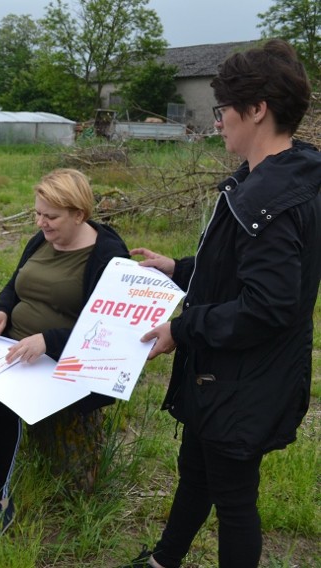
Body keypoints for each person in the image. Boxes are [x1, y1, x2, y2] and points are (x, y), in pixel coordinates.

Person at [120, 40, 321, 568]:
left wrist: (182, 330)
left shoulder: (268, 198)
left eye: (224, 108)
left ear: (257, 110)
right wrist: (181, 268)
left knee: (234, 502)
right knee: (197, 471)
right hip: (228, 377)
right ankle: (165, 559)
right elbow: (244, 271)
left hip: (245, 381)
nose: (218, 121)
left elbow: (267, 306)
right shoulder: (287, 174)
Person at [0, 168, 129, 552]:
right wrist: (0, 311)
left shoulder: (108, 255)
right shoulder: (40, 240)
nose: (42, 223)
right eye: (38, 214)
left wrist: (49, 340)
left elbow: (111, 332)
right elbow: (15, 286)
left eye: (51, 217)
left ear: (79, 213)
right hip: (14, 345)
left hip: (68, 361)